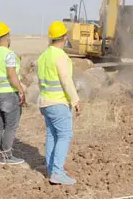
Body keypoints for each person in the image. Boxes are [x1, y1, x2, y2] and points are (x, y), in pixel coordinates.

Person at [37, 21, 81, 185]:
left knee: (52, 135)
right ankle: (57, 172)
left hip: (45, 102)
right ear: (64, 37)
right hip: (58, 103)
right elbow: (66, 81)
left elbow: (40, 82)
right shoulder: (60, 56)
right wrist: (75, 100)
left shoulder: (43, 56)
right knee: (64, 135)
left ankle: (50, 170)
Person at [0, 22, 25, 165]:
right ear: (7, 37)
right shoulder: (9, 55)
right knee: (10, 126)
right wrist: (21, 91)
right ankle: (7, 156)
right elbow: (12, 74)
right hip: (9, 94)